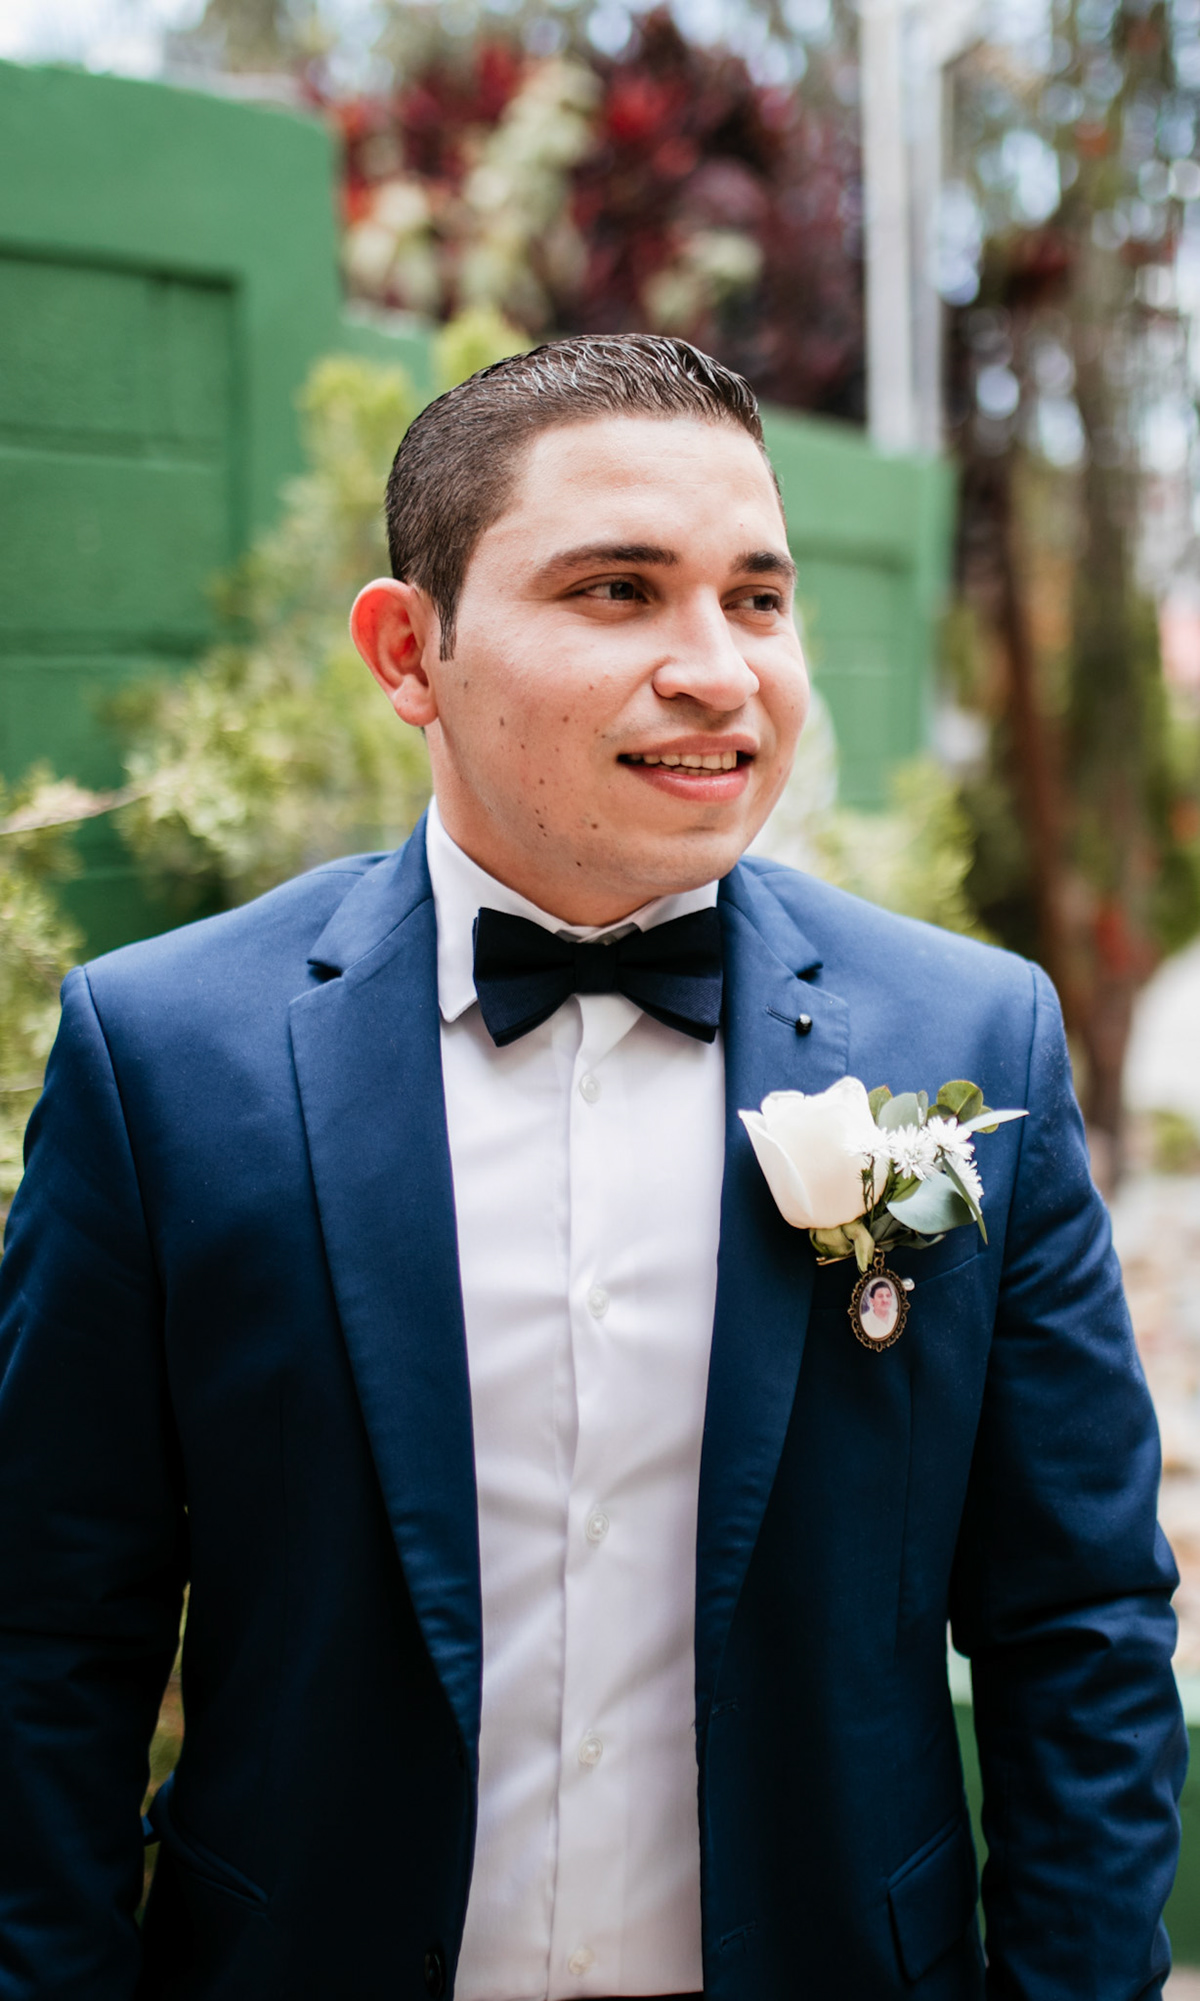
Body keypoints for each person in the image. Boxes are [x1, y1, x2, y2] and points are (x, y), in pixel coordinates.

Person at [0, 335, 1184, 2001]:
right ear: (408, 651)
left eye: (756, 599)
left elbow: (1082, 1623)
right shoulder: (164, 1060)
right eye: (619, 591)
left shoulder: (973, 1039)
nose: (717, 668)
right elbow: (48, 1636)